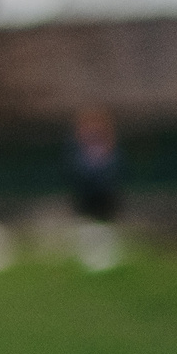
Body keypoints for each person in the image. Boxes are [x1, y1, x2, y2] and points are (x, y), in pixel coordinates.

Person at [68, 106, 123, 272]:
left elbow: (114, 163)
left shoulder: (108, 146)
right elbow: (75, 166)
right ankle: (90, 254)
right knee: (87, 220)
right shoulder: (78, 149)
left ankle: (105, 255)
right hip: (86, 188)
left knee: (105, 219)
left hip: (104, 188)